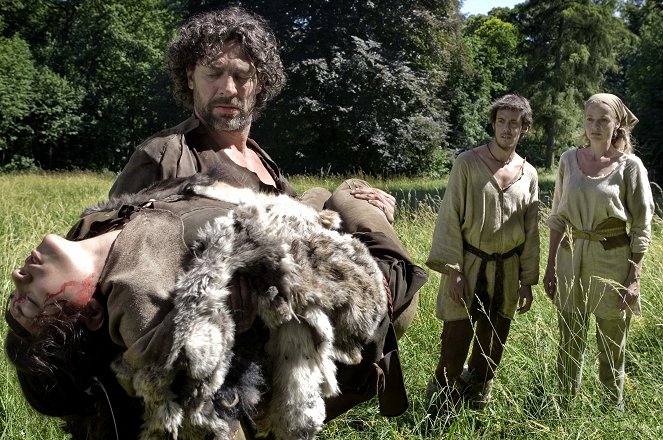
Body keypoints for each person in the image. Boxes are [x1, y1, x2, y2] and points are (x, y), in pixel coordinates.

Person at [5, 172, 426, 440]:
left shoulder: (90, 228)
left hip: (286, 216)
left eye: (12, 301)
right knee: (352, 194)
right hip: (362, 285)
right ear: (91, 313)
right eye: (27, 307)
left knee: (319, 193)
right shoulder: (136, 294)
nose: (16, 280)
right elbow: (183, 399)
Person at [108, 6, 418, 335]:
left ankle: (382, 281)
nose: (228, 88)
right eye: (214, 73)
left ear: (260, 83)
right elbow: (114, 259)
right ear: (189, 77)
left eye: (242, 77)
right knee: (335, 196)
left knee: (337, 196)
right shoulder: (165, 155)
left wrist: (373, 213)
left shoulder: (265, 164)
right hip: (229, 336)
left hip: (302, 307)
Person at [425, 94, 540, 417]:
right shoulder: (467, 163)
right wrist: (453, 270)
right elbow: (449, 217)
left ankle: (475, 404)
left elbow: (531, 231)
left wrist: (527, 280)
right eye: (501, 122)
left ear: (524, 129)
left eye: (514, 124)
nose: (506, 129)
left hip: (508, 269)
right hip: (468, 264)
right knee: (455, 341)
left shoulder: (528, 174)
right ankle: (440, 406)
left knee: (492, 346)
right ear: (493, 124)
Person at [543, 93, 654, 409]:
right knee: (569, 340)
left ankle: (610, 407)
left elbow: (642, 226)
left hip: (612, 261)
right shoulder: (568, 160)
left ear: (617, 123)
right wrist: (550, 266)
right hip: (571, 257)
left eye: (603, 120)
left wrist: (634, 278)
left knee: (611, 342)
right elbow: (558, 216)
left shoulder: (629, 166)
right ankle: (565, 405)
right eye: (590, 119)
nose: (595, 126)